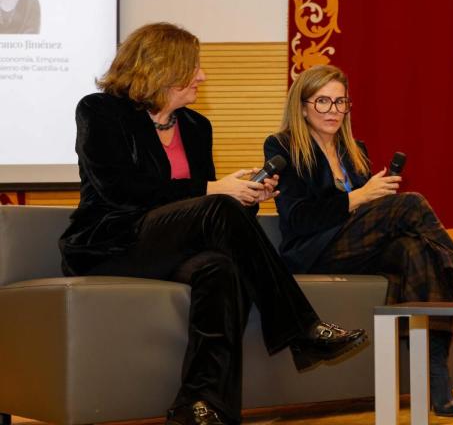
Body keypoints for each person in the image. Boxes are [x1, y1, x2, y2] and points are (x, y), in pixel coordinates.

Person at [59, 23, 367, 425]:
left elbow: (211, 212)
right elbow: (119, 189)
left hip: (173, 246)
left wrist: (247, 195)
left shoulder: (195, 126)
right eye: (195, 67)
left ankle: (201, 406)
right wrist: (215, 190)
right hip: (111, 245)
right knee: (217, 207)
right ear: (163, 68)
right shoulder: (100, 111)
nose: (202, 76)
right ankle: (301, 327)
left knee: (221, 270)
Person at [265, 64, 453, 417]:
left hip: (359, 246)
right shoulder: (282, 145)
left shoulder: (353, 148)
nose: (333, 111)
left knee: (417, 250)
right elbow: (297, 219)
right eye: (323, 102)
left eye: (340, 102)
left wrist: (374, 199)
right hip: (313, 251)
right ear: (302, 106)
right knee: (412, 202)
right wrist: (358, 197)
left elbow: (365, 215)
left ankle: (437, 374)